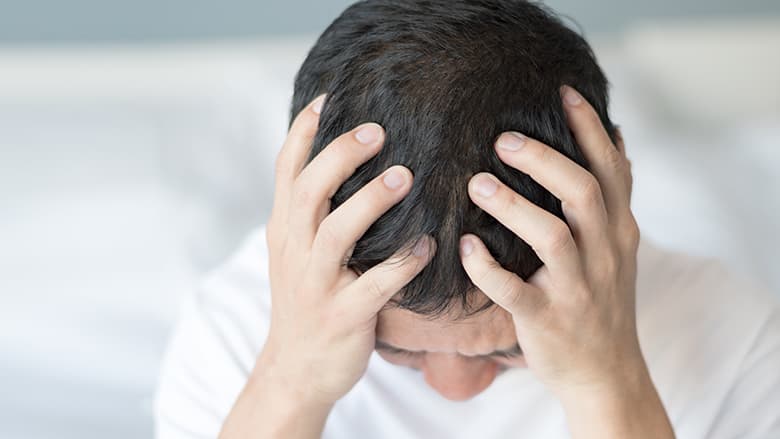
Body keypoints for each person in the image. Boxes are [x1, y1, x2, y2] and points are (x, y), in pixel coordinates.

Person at [154, 1, 780, 438]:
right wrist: (291, 386)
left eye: (507, 350)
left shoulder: (739, 338)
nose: (455, 389)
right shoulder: (233, 333)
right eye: (396, 349)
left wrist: (607, 384)